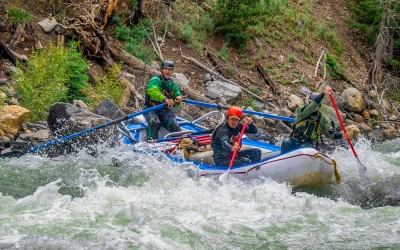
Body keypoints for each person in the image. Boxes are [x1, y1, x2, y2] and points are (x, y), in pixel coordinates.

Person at [281, 86, 349, 153]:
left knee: (303, 149)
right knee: (286, 142)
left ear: (319, 105)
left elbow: (330, 133)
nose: (314, 106)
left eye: (316, 105)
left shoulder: (323, 119)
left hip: (309, 143)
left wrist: (341, 135)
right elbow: (311, 107)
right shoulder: (301, 110)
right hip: (295, 139)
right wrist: (323, 93)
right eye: (311, 103)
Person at [144, 59, 183, 140]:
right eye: (165, 69)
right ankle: (151, 144)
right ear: (162, 70)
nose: (167, 71)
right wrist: (165, 100)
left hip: (164, 110)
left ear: (172, 71)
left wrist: (178, 100)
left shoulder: (173, 84)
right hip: (151, 109)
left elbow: (177, 99)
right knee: (154, 122)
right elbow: (154, 92)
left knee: (173, 124)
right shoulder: (155, 80)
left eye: (169, 69)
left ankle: (179, 144)